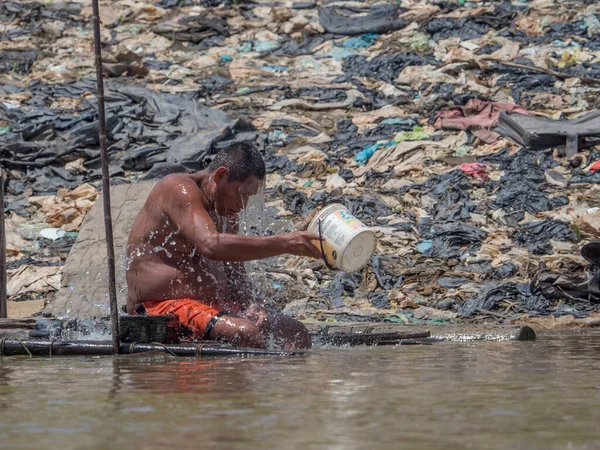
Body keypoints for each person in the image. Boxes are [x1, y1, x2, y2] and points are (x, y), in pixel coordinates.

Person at [126, 143, 321, 350]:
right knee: (245, 332)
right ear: (220, 176)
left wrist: (253, 303)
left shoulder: (226, 213)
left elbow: (235, 272)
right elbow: (210, 244)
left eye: (248, 197)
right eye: (241, 193)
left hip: (211, 309)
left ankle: (265, 380)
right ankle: (242, 380)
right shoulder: (177, 188)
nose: (243, 204)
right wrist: (285, 243)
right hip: (160, 307)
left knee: (296, 333)